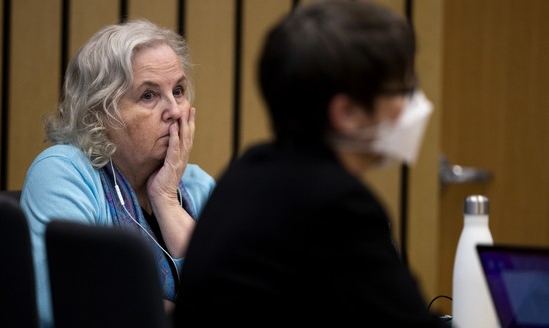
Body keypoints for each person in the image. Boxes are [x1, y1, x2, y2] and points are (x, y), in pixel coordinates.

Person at [173, 1, 443, 327]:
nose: (412, 105)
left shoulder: (250, 170)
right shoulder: (337, 205)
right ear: (347, 113)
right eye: (403, 90)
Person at [20, 19, 215, 328]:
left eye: (178, 90)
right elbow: (64, 305)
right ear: (99, 113)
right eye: (148, 96)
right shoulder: (63, 172)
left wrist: (166, 199)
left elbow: (234, 300)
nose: (175, 111)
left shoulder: (197, 184)